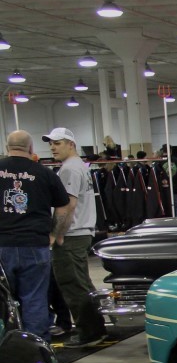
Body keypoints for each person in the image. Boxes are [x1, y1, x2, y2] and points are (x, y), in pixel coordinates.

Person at [0, 130, 70, 340]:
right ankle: (36, 346)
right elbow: (63, 206)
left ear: (7, 148)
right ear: (31, 149)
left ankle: (7, 344)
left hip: (3, 244)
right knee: (35, 298)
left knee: (3, 299)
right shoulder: (45, 173)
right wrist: (54, 233)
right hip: (35, 244)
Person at [45, 127, 107, 348]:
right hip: (80, 232)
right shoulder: (80, 166)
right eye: (51, 144)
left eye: (57, 143)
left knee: (72, 284)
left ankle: (89, 332)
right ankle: (95, 328)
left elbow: (68, 205)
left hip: (72, 234)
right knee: (82, 283)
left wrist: (56, 234)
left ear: (71, 144)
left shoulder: (69, 169)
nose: (52, 148)